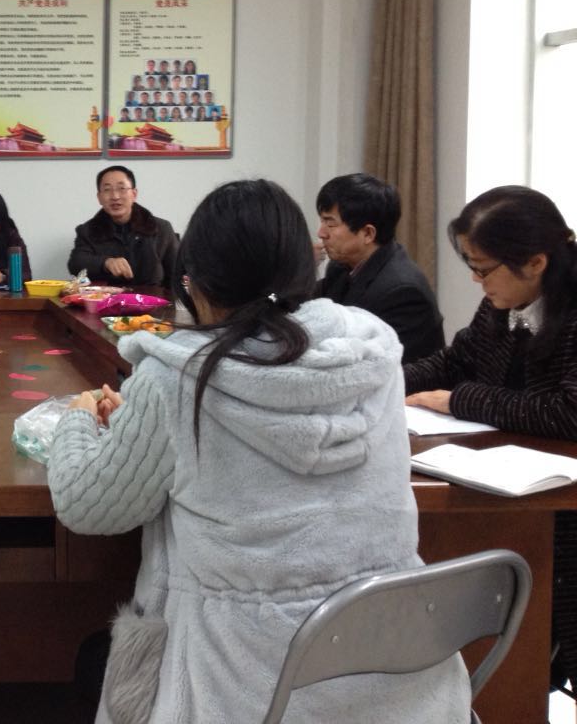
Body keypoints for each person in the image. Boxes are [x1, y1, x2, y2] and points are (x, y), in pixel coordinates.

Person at [49, 179, 470, 723]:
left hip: (240, 686)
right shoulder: (371, 352)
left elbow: (87, 505)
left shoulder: (179, 378)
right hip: (398, 682)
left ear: (194, 279)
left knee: (91, 660)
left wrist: (80, 419)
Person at [403, 186, 577, 686]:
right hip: (513, 487)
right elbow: (455, 361)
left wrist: (458, 400)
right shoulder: (502, 304)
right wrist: (383, 382)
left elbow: (569, 412)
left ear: (536, 262)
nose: (477, 282)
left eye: (483, 269)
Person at [316, 174, 444, 364]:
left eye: (330, 223)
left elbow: (384, 368)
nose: (321, 233)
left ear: (368, 233)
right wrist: (298, 268)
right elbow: (296, 308)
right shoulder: (341, 267)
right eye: (322, 221)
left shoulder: (403, 292)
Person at [67, 165, 178, 287]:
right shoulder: (88, 231)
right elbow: (75, 264)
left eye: (122, 188)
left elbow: (177, 273)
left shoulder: (161, 229)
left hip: (153, 297)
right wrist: (105, 263)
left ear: (134, 194)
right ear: (99, 198)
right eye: (107, 190)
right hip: (107, 297)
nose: (115, 196)